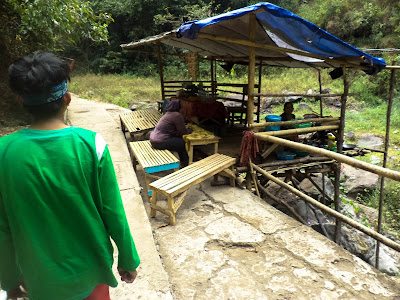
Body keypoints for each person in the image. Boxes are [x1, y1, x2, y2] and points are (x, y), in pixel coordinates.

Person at [0, 51, 140, 300]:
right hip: (91, 270)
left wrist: (9, 279)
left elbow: (3, 226)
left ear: (21, 102)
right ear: (68, 98)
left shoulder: (4, 152)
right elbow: (113, 211)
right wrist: (128, 258)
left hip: (38, 277)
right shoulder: (92, 144)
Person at [150, 99, 192, 167]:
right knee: (181, 143)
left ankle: (183, 161)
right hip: (159, 142)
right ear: (178, 107)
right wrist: (189, 130)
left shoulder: (167, 113)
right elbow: (183, 132)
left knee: (177, 141)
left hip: (154, 139)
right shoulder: (177, 115)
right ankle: (185, 164)